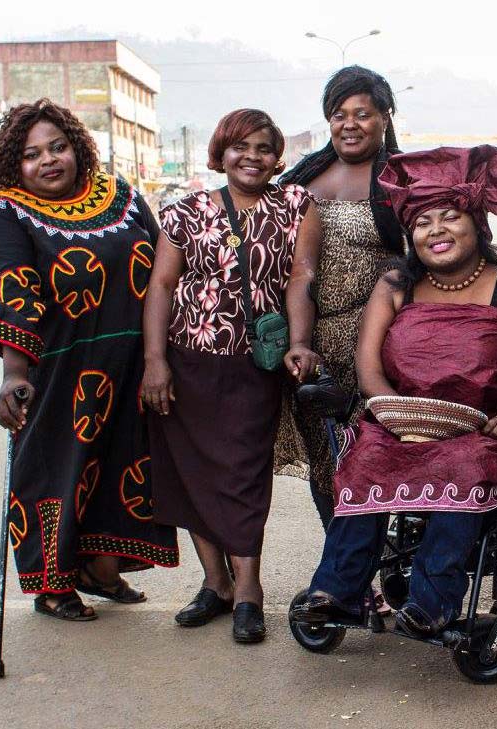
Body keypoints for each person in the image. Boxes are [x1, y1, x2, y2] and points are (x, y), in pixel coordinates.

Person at [291, 145, 497, 637]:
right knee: (361, 462)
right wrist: (391, 412)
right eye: (422, 222)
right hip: (402, 424)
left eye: (449, 217)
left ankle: (432, 603)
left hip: (481, 431)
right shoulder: (395, 285)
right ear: (410, 235)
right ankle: (338, 592)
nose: (436, 230)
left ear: (477, 225)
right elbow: (369, 367)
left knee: (463, 470)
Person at [0, 99, 178, 621]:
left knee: (128, 466)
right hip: (58, 370)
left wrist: (161, 356)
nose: (49, 161)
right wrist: (14, 373)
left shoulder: (122, 198)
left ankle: (100, 570)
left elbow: (160, 275)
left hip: (131, 363)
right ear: (14, 164)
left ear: (77, 147)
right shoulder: (2, 214)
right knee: (58, 473)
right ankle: (53, 583)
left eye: (57, 147)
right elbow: (14, 294)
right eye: (32, 154)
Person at [141, 109, 322, 643]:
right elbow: (161, 287)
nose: (252, 157)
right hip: (186, 360)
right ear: (220, 153)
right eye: (240, 147)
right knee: (191, 473)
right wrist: (155, 360)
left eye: (264, 148)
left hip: (253, 365)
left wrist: (299, 341)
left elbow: (301, 275)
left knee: (243, 475)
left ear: (277, 157)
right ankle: (216, 584)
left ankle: (249, 593)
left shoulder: (296, 206)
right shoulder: (184, 212)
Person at [278, 66, 407, 530]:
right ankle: (342, 570)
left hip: (376, 343)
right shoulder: (301, 178)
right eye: (338, 114)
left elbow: (432, 253)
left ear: (385, 118)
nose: (349, 124)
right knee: (323, 466)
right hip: (309, 344)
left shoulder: (402, 180)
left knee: (367, 460)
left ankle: (366, 575)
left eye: (362, 114)